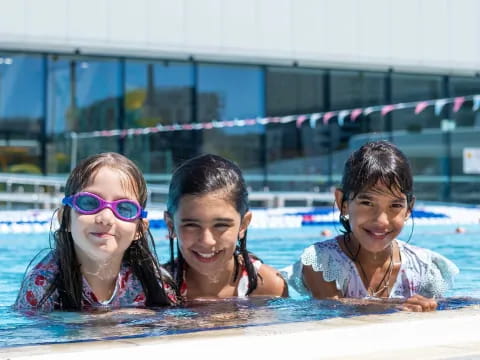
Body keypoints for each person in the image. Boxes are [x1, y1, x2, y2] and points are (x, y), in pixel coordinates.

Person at [284, 140, 459, 311]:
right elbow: (334, 311)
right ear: (342, 202)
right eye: (367, 203)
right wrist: (397, 307)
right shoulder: (323, 261)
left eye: (395, 206)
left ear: (408, 209)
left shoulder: (424, 267)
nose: (381, 220)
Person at [15, 152, 177, 312]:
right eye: (89, 202)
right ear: (65, 219)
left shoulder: (152, 283)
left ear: (139, 229)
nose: (106, 218)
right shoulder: (43, 285)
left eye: (124, 208)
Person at [164, 154, 287, 300]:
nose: (207, 241)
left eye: (221, 225)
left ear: (243, 224)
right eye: (191, 225)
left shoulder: (268, 287)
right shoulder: (155, 287)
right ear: (171, 225)